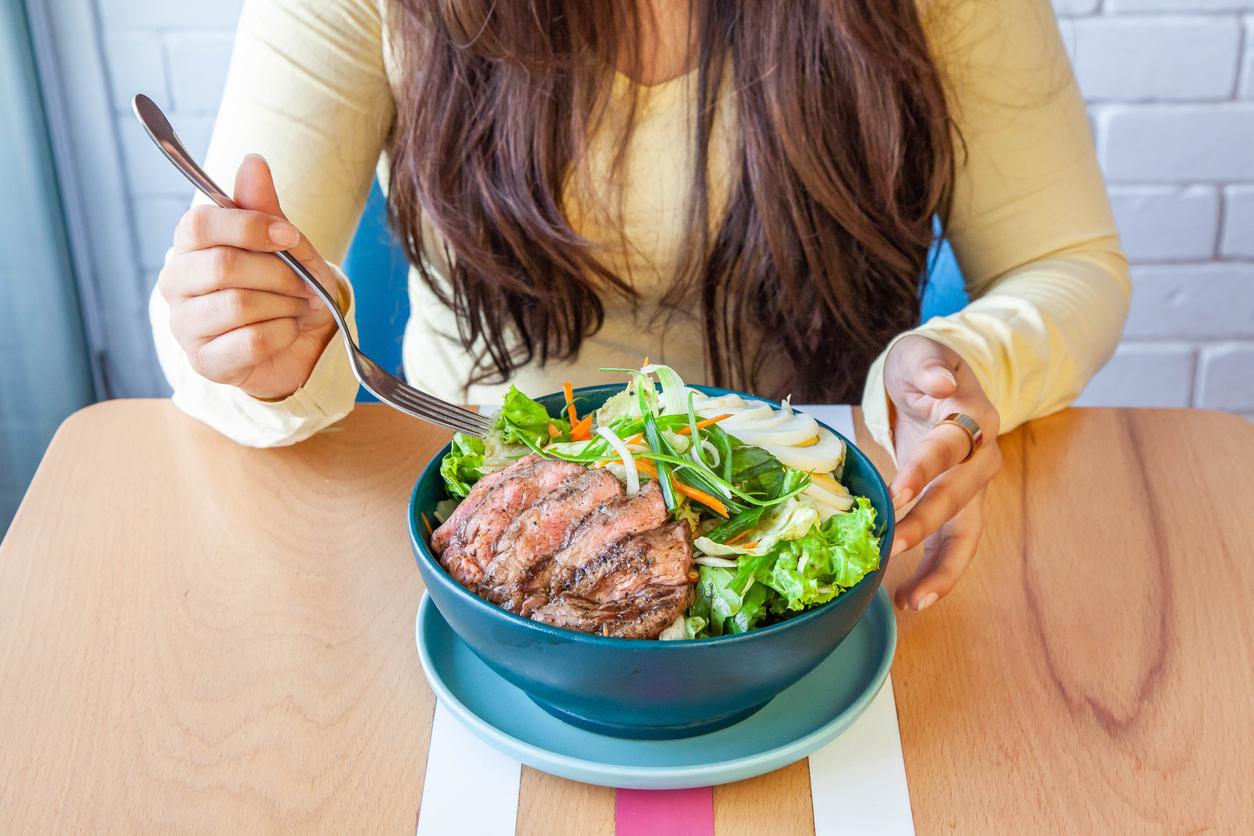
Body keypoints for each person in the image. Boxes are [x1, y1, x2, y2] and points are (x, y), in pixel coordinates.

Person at [149, 0, 1130, 613]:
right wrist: (251, 348)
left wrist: (969, 365)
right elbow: (235, 285)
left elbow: (1069, 262)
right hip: (478, 518)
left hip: (811, 527)